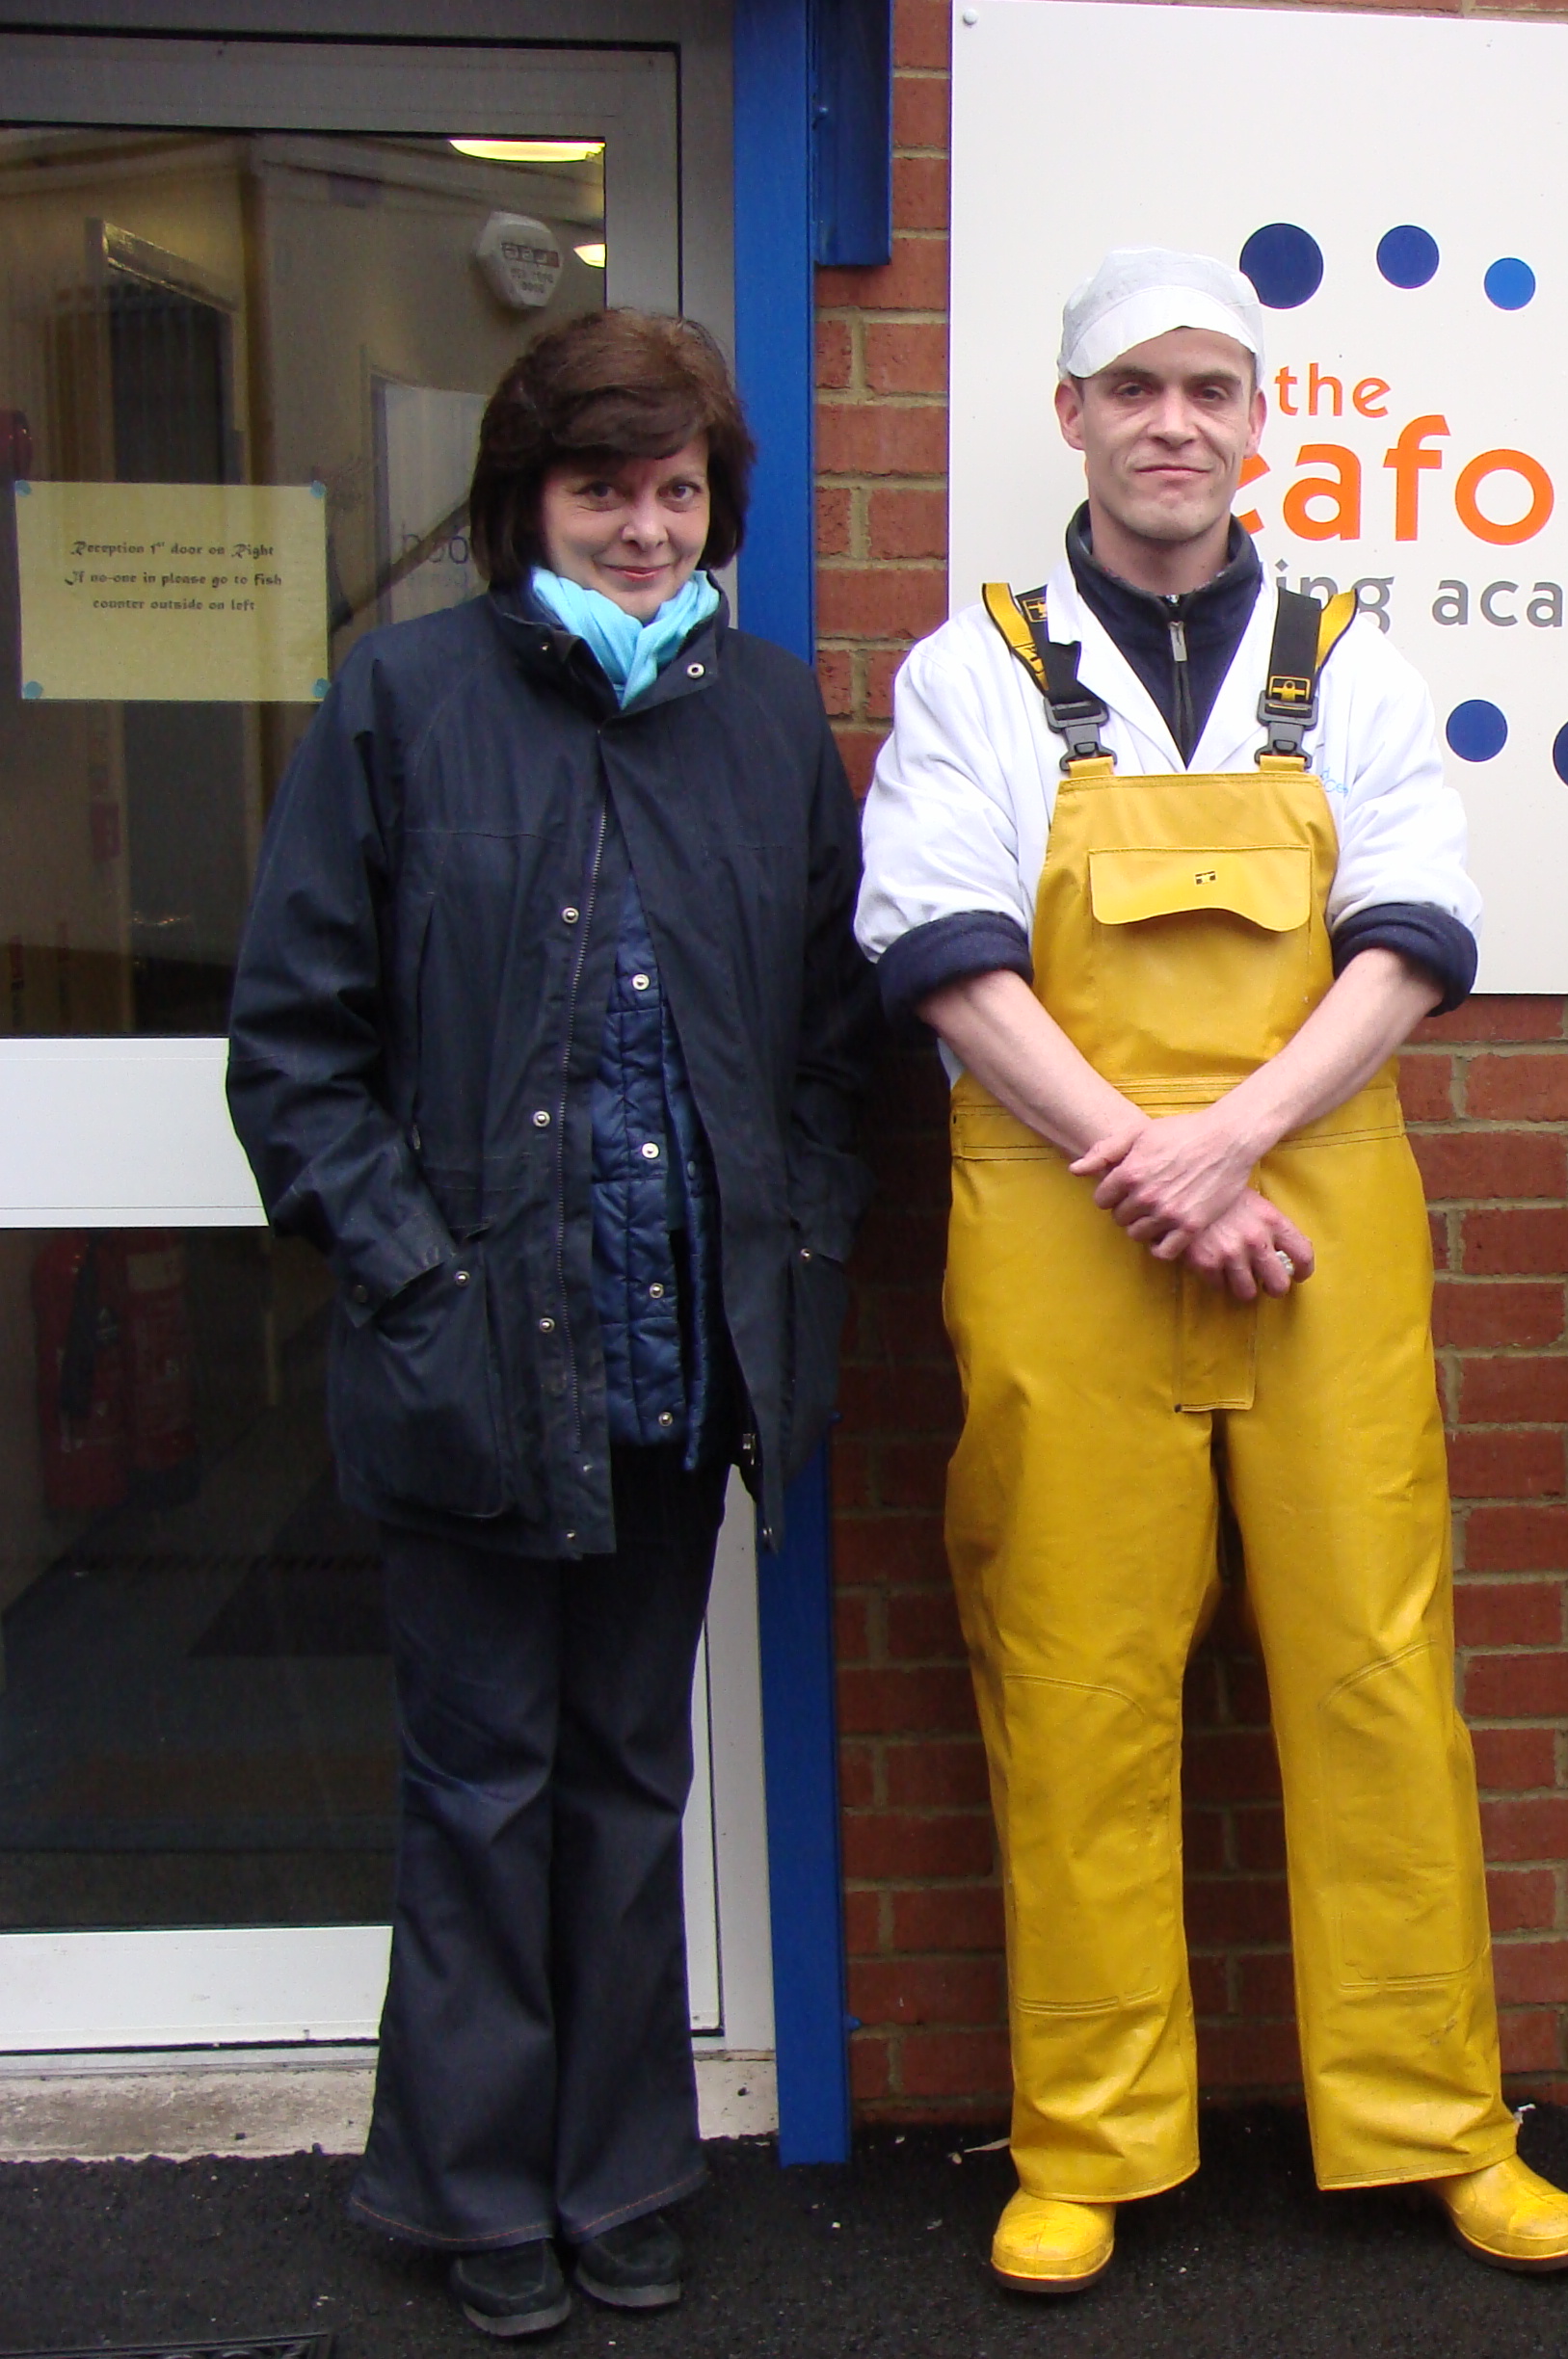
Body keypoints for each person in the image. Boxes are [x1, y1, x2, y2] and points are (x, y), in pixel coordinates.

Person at [853, 249, 1568, 2293]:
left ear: (1259, 424)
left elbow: (1417, 932)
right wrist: (1152, 1163)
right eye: (1134, 388)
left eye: (1210, 388)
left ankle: (1440, 2126)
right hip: (1062, 1229)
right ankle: (1087, 2143)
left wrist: (1224, 1143)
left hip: (1312, 1219)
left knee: (1376, 1670)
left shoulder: (1346, 660)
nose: (1173, 422)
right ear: (1071, 417)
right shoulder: (972, 671)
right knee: (1077, 1679)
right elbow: (938, 948)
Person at [226, 309, 880, 2340]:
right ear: (527, 500)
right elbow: (296, 1052)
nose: (644, 526)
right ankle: (475, 2187)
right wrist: (415, 1274)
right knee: (479, 1785)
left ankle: (620, 2173)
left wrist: (798, 1244)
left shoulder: (765, 716)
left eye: (677, 491)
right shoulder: (401, 700)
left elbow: (834, 1044)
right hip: (471, 1364)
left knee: (624, 1782)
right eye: (605, 488)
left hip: (681, 1367)